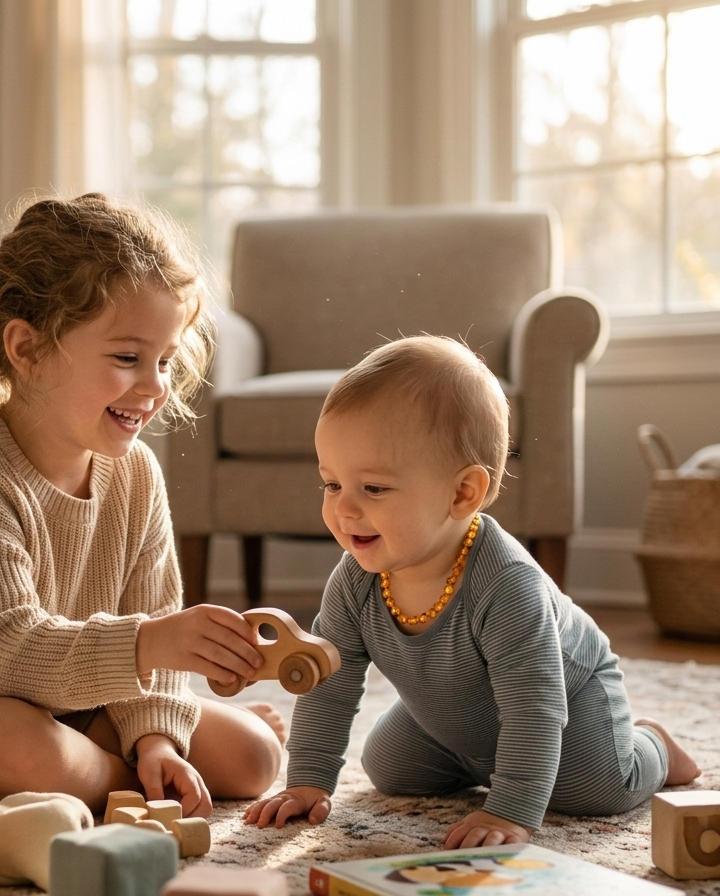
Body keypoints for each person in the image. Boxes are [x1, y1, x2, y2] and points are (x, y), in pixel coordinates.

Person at [0, 193, 283, 817]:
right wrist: (153, 647)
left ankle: (111, 768)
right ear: (28, 350)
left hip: (72, 698)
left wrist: (156, 736)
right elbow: (7, 658)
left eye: (164, 361)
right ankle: (102, 774)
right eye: (127, 358)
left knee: (256, 758)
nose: (154, 387)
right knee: (24, 752)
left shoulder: (137, 475)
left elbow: (147, 616)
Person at [245, 336, 699, 846]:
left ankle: (654, 743)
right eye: (332, 485)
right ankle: (481, 760)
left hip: (565, 700)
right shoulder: (354, 580)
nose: (344, 509)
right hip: (452, 714)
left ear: (464, 493)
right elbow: (331, 680)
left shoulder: (506, 584)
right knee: (389, 769)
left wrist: (509, 811)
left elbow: (535, 708)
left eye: (372, 488)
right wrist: (308, 780)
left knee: (595, 789)